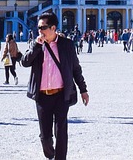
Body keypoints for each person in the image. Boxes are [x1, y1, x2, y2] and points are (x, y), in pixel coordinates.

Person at [21, 12, 88, 160]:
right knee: (45, 137)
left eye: (43, 27)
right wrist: (36, 46)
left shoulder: (66, 45)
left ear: (53, 28)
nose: (40, 31)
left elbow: (75, 69)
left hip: (61, 95)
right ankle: (50, 153)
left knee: (61, 132)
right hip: (42, 96)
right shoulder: (36, 44)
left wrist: (83, 90)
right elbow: (24, 62)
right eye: (38, 27)